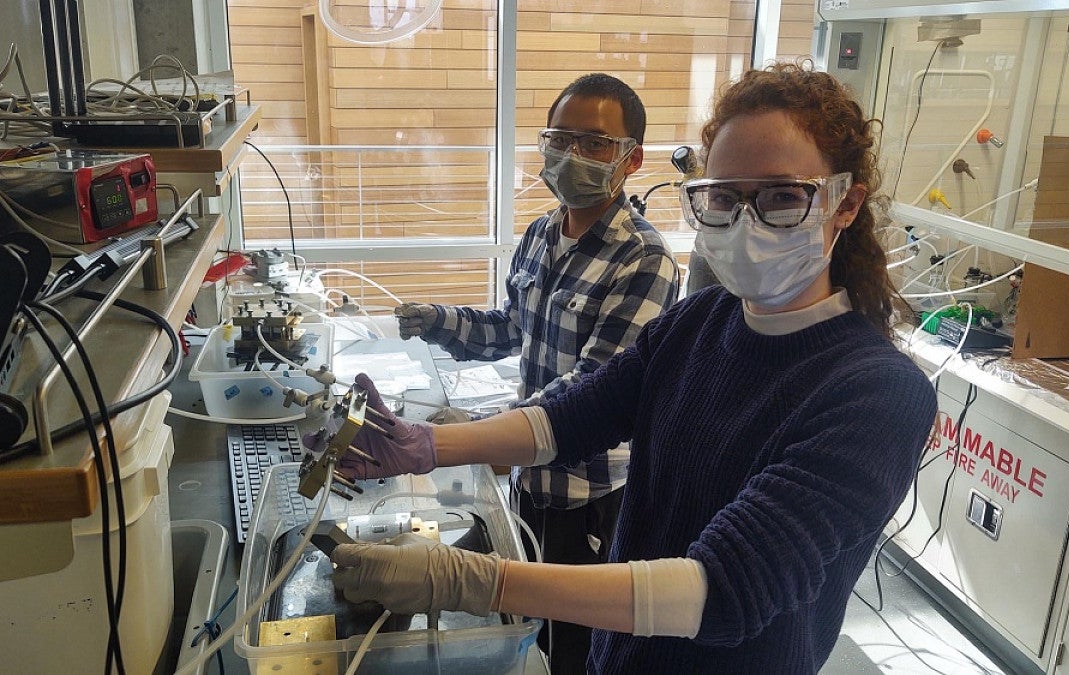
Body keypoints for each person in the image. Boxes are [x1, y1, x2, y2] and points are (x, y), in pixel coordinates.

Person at [331, 62, 938, 673]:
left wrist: (469, 582)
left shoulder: (879, 394)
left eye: (782, 197)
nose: (746, 222)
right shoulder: (702, 320)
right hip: (619, 656)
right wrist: (425, 446)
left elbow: (721, 592)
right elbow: (575, 416)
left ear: (845, 203)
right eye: (724, 197)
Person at [392, 74, 680, 672]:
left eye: (596, 143)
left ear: (633, 159)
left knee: (573, 651)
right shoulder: (543, 232)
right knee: (524, 637)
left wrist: (478, 430)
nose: (573, 156)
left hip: (591, 503)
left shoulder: (644, 261)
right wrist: (438, 319)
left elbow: (590, 395)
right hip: (528, 487)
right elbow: (508, 327)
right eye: (560, 138)